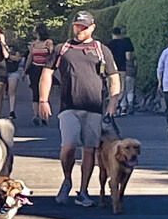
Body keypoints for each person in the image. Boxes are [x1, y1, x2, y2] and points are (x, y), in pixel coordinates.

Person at [39, 11, 120, 207]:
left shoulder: (101, 50)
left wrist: (112, 103)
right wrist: (43, 100)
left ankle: (83, 191)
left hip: (93, 107)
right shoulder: (62, 48)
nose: (79, 30)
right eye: (77, 26)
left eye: (83, 27)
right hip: (69, 106)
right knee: (68, 146)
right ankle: (67, 179)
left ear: (92, 27)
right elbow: (47, 73)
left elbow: (113, 77)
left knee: (89, 150)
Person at [24, 24, 54, 126]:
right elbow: (30, 57)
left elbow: (52, 55)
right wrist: (25, 70)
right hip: (35, 69)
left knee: (44, 92)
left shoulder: (48, 42)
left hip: (45, 69)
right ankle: (36, 115)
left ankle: (44, 116)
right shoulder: (33, 44)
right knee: (35, 91)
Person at [107, 27, 135, 116]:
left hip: (111, 69)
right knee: (121, 89)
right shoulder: (125, 43)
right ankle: (118, 105)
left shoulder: (108, 45)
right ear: (120, 34)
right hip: (122, 68)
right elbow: (128, 57)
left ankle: (114, 108)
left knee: (112, 89)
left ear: (112, 34)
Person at [5, 46, 24, 119]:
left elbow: (17, 58)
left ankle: (11, 111)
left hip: (13, 71)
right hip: (2, 71)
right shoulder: (1, 47)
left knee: (12, 91)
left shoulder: (15, 49)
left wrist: (8, 56)